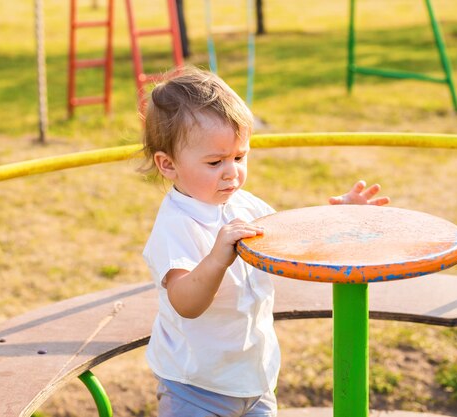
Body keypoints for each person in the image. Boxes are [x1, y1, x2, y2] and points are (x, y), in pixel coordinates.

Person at [141, 66, 389, 417]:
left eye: (240, 157)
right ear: (168, 165)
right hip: (196, 386)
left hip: (254, 378)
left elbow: (289, 237)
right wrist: (216, 259)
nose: (231, 172)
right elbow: (185, 302)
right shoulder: (176, 224)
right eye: (215, 162)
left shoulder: (243, 204)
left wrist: (338, 216)